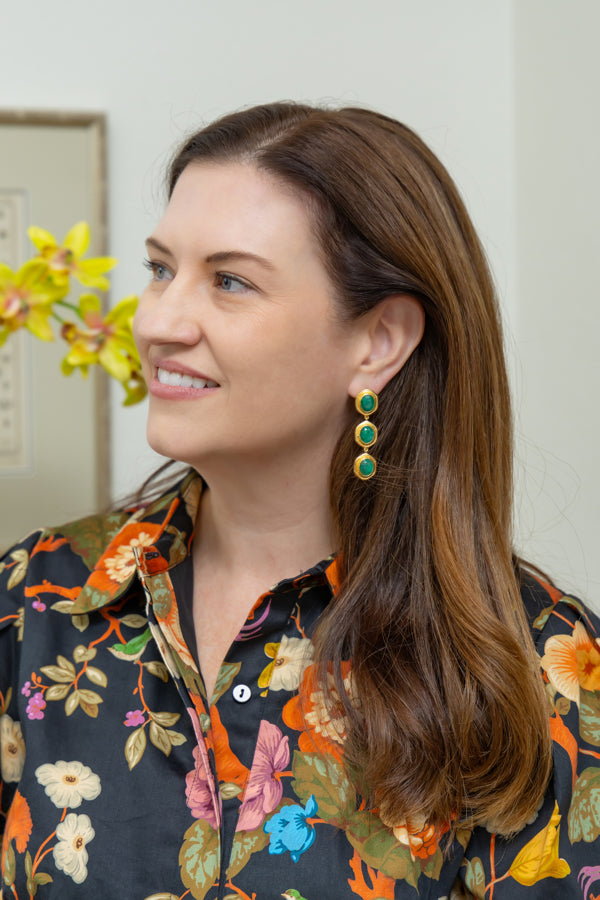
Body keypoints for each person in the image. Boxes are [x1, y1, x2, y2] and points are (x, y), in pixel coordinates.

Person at [1, 102, 599, 900]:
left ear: (378, 341)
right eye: (159, 268)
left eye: (230, 281)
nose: (160, 320)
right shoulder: (33, 602)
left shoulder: (539, 668)